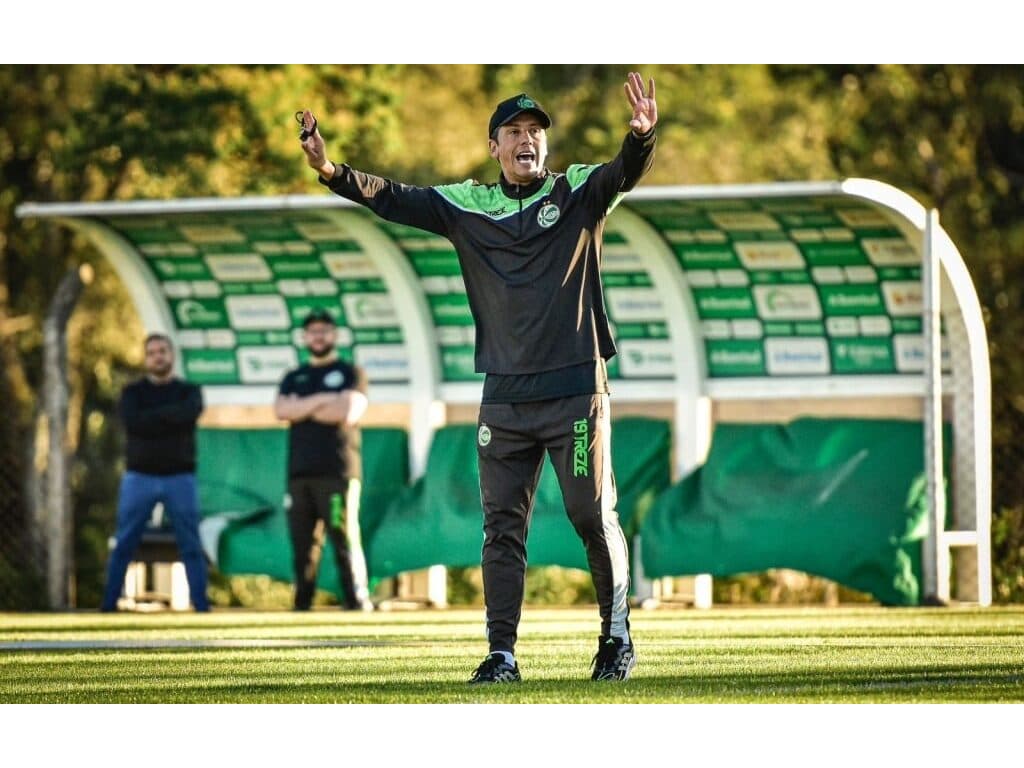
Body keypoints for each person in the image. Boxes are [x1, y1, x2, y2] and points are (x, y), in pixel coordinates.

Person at [299, 71, 657, 682]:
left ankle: (616, 636)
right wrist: (331, 170)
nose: (527, 140)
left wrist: (641, 137)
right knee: (501, 530)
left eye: (535, 131)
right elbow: (394, 197)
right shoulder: (468, 206)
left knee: (591, 515)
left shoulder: (576, 193)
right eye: (513, 132)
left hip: (575, 392)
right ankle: (502, 655)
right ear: (494, 146)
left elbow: (622, 171)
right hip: (505, 398)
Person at [101, 333, 209, 612]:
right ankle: (108, 605)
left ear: (171, 355)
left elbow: (186, 414)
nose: (158, 357)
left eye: (162, 351)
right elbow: (134, 422)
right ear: (146, 358)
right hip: (139, 477)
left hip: (180, 478)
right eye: (152, 352)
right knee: (124, 542)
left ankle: (201, 606)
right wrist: (170, 417)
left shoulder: (189, 391)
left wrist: (152, 417)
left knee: (191, 544)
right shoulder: (132, 393)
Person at [274, 309, 373, 612]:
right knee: (302, 544)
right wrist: (324, 399)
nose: (318, 336)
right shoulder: (294, 376)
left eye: (324, 330)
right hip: (299, 473)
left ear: (334, 335)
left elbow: (347, 411)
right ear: (305, 337)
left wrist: (303, 407)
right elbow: (281, 410)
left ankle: (356, 600)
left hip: (338, 472)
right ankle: (302, 605)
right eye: (313, 331)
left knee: (343, 538)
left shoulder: (351, 373)